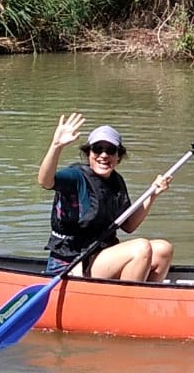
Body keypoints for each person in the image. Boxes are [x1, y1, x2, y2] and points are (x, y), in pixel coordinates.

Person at [38, 113, 174, 281]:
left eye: (110, 150)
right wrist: (56, 146)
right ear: (89, 153)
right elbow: (45, 181)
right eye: (97, 149)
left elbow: (129, 226)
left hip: (101, 256)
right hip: (71, 263)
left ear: (118, 156)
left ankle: (142, 299)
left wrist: (153, 194)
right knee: (141, 247)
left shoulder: (117, 182)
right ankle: (127, 302)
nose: (104, 155)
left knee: (163, 250)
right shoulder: (76, 176)